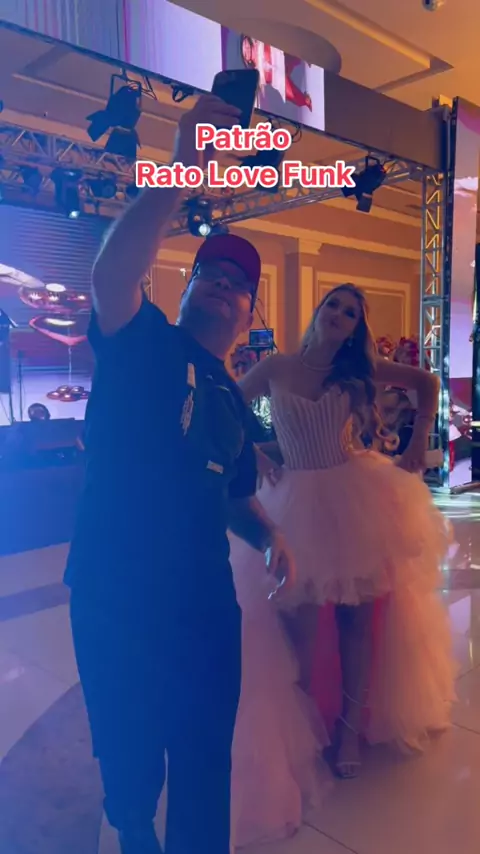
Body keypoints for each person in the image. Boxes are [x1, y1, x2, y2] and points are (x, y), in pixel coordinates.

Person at [64, 94, 295, 854]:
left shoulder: (232, 399)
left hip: (203, 607)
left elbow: (233, 496)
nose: (223, 284)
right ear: (186, 289)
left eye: (238, 282)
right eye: (210, 274)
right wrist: (184, 166)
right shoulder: (144, 343)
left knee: (203, 765)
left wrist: (269, 538)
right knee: (131, 771)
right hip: (117, 595)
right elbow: (111, 275)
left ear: (250, 312)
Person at [230, 283, 455, 789]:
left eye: (350, 313)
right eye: (333, 304)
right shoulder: (276, 367)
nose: (338, 314)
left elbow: (426, 381)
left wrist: (417, 442)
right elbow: (225, 408)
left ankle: (349, 731)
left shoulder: (359, 371)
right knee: (301, 634)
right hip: (293, 503)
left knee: (356, 623)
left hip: (353, 499)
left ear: (355, 329)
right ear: (319, 310)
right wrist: (254, 455)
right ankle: (307, 732)